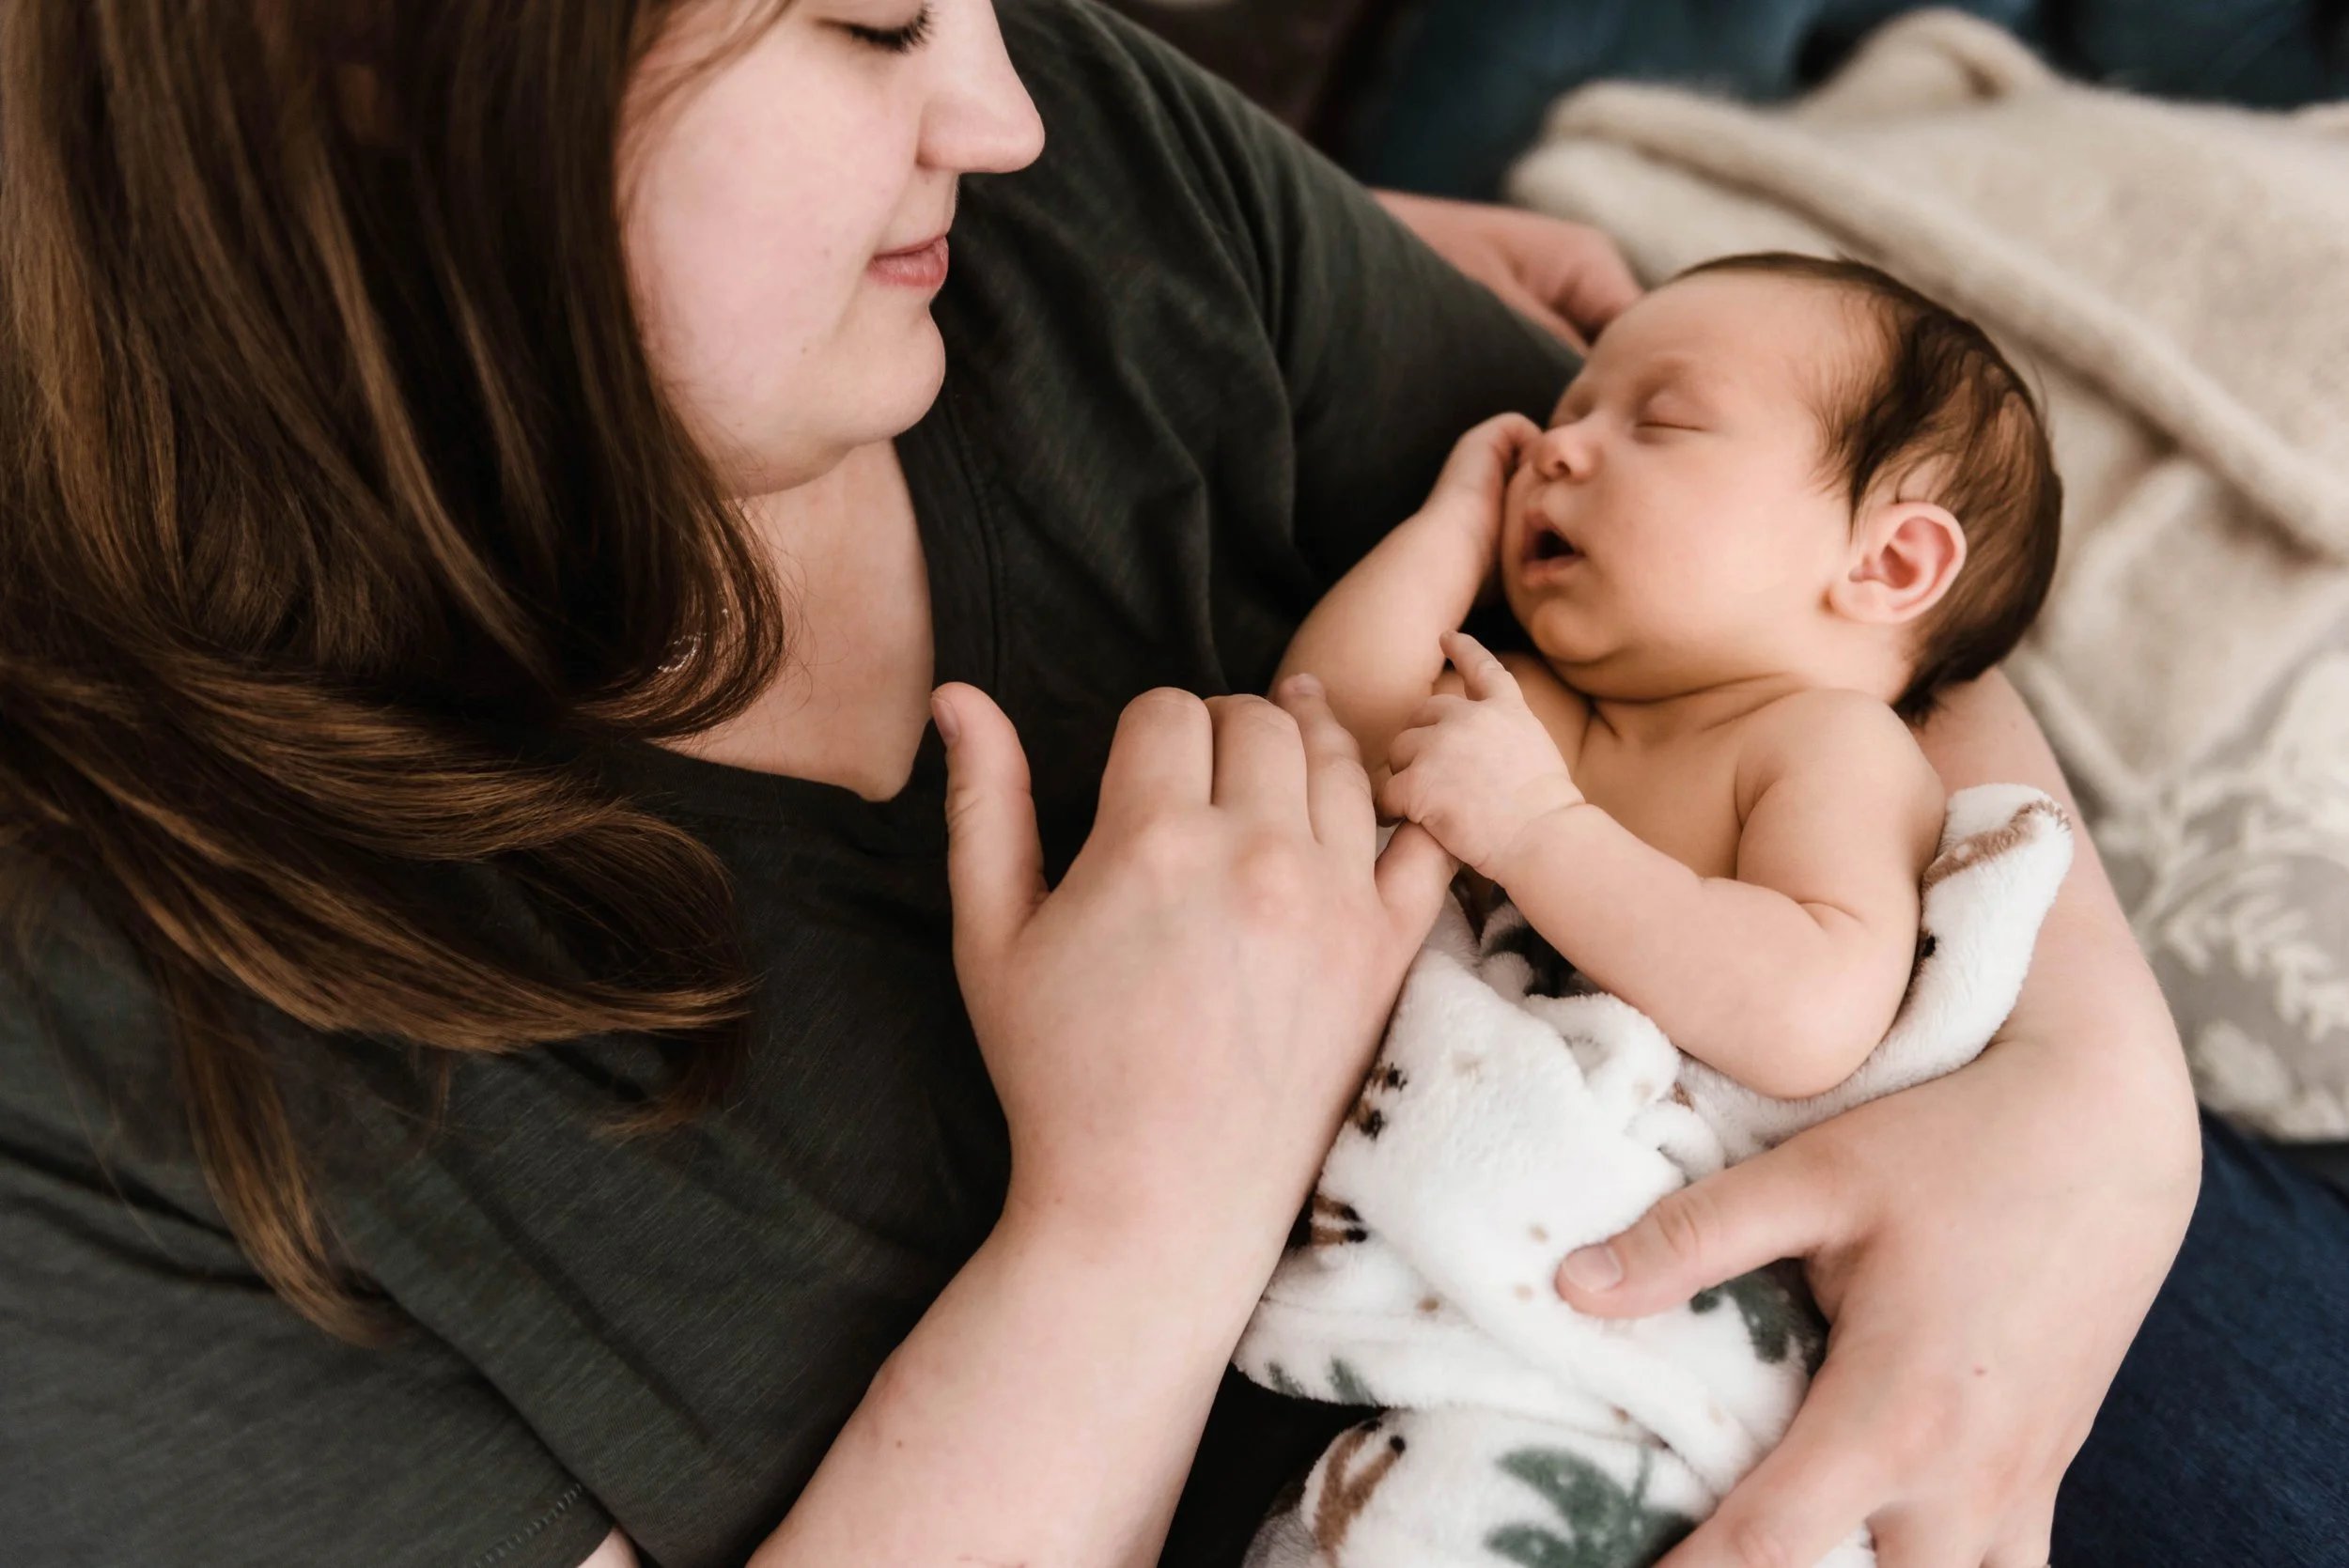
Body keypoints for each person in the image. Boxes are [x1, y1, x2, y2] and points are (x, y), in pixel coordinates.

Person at [0, 4, 2201, 1568]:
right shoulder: (90, 1043)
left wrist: (2105, 1106)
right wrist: (1140, 1218)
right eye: (864, 26)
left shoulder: (1082, 202)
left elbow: (1805, 626)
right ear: (366, 45)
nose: (1005, 105)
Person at [1285, 254, 2059, 1104]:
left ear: (1889, 561)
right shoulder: (1521, 696)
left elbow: (1805, 1014)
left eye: (1663, 424)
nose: (1556, 447)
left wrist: (1542, 833)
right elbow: (1319, 738)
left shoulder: (1829, 745)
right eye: (1568, 412)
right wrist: (1455, 530)